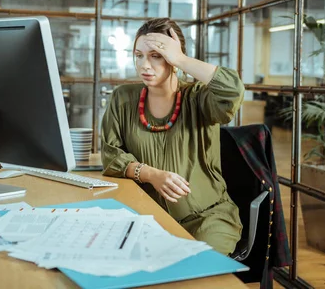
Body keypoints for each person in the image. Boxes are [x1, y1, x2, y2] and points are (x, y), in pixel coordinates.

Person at [101, 18, 245, 256]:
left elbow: (232, 91)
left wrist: (180, 59)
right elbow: (111, 154)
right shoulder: (123, 98)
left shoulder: (199, 97)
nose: (144, 65)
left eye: (156, 55)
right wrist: (151, 174)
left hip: (206, 218)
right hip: (145, 218)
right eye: (139, 55)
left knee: (195, 272)